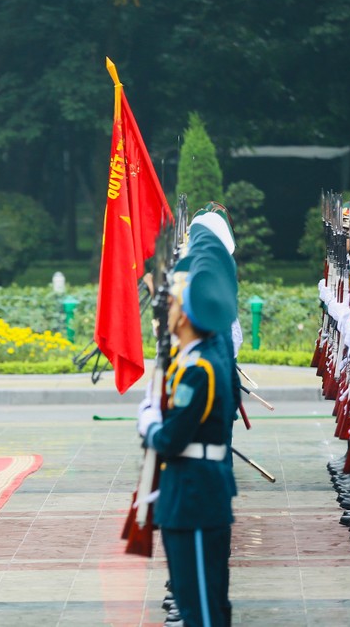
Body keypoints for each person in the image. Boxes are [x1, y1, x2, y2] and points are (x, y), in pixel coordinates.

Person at [137, 235, 238, 627]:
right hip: (189, 491)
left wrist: (150, 425)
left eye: (175, 302)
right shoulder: (192, 360)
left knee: (202, 609)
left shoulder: (200, 370)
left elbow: (172, 439)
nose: (167, 309)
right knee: (196, 599)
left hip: (196, 494)